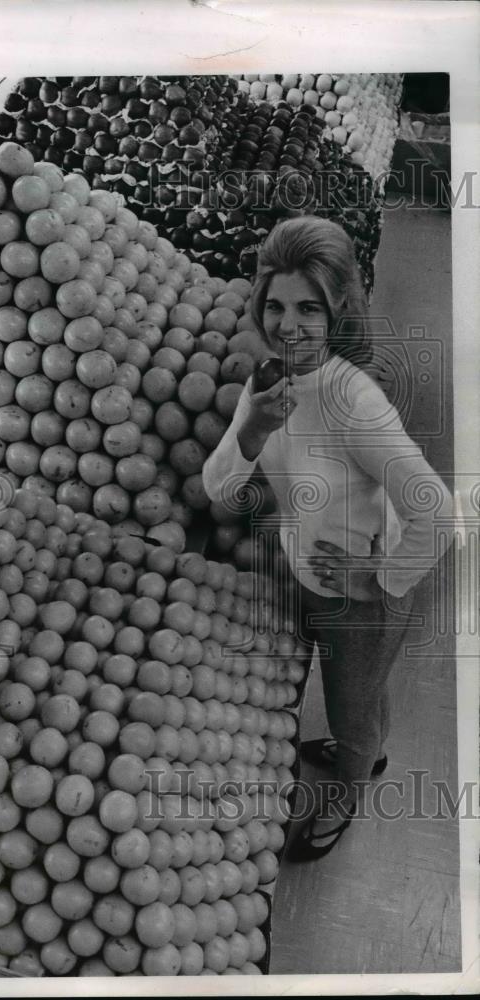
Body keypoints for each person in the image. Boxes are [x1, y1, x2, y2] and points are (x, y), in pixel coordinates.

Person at [202, 216, 453, 861]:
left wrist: (378, 579)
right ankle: (360, 748)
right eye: (277, 305)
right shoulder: (266, 380)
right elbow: (221, 493)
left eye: (309, 308)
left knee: (351, 705)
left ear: (339, 306)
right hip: (308, 575)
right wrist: (251, 429)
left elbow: (439, 513)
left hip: (362, 601)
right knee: (359, 692)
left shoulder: (356, 403)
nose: (289, 326)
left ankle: (348, 787)